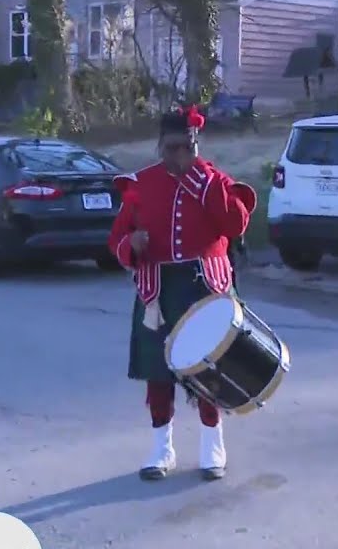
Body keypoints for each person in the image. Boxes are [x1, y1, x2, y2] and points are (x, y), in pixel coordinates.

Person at [107, 105, 257, 482]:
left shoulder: (213, 180)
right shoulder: (141, 184)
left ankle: (212, 446)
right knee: (158, 373)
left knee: (210, 368)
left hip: (205, 286)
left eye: (186, 147)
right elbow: (116, 239)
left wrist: (202, 182)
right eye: (171, 147)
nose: (178, 156)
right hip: (158, 290)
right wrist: (132, 244)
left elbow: (235, 224)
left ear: (195, 144)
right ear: (160, 145)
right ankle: (162, 449)